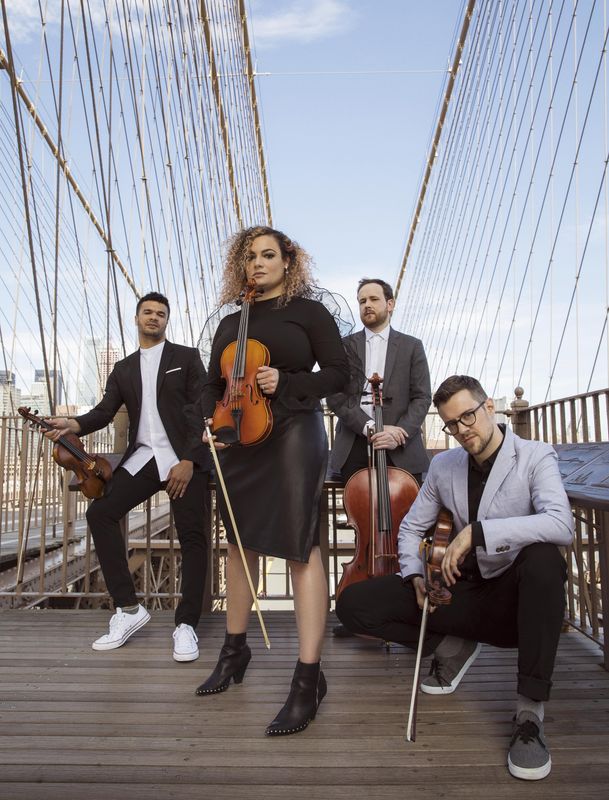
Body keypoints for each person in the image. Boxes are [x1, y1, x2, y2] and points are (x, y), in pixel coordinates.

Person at [336, 375, 573, 781]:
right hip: (461, 592)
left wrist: (478, 533)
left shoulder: (535, 456)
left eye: (468, 416)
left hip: (516, 603)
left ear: (489, 408)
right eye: (451, 424)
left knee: (544, 560)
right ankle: (453, 644)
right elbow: (411, 528)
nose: (462, 430)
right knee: (352, 604)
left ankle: (529, 715)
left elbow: (561, 524)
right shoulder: (444, 465)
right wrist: (413, 575)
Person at [190, 225, 349, 736]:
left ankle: (308, 678)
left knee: (301, 547)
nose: (257, 263)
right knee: (239, 545)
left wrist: (289, 380)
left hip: (294, 431)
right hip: (239, 438)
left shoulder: (309, 312)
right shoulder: (229, 321)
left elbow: (339, 374)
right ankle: (234, 651)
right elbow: (210, 385)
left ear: (287, 261)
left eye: (267, 255)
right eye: (249, 257)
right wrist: (209, 421)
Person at [45, 292, 210, 662]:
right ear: (137, 318)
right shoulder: (123, 368)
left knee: (192, 536)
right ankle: (129, 608)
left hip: (182, 459)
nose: (154, 317)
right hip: (144, 458)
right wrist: (71, 424)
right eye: (147, 312)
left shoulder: (186, 358)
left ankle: (186, 625)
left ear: (167, 321)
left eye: (160, 314)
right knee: (100, 514)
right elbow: (104, 412)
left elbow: (202, 410)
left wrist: (189, 460)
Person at [327, 277, 431, 636]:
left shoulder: (412, 346)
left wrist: (400, 431)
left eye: (373, 298)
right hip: (357, 444)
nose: (367, 305)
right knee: (365, 530)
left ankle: (405, 607)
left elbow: (422, 396)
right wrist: (369, 427)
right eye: (361, 300)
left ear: (390, 304)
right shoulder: (345, 347)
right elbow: (336, 397)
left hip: (401, 447)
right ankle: (359, 609)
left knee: (407, 530)